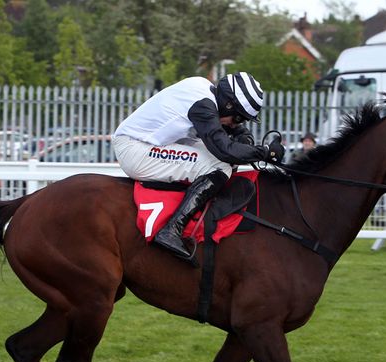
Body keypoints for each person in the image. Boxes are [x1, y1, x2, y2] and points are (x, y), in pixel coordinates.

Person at [112, 72, 285, 261]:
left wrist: (242, 135)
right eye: (238, 118)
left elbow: (228, 129)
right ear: (228, 105)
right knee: (220, 167)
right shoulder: (203, 106)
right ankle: (171, 229)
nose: (238, 123)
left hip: (148, 142)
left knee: (222, 161)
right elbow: (224, 150)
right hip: (135, 150)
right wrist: (265, 152)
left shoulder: (205, 88)